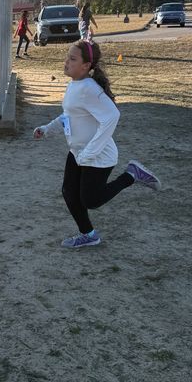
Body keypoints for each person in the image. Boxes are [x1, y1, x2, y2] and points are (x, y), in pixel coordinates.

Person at [32, 39, 161, 249]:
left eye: (72, 59)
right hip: (78, 152)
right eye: (67, 56)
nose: (66, 62)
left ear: (86, 66)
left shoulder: (89, 89)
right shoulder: (75, 85)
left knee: (91, 201)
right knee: (69, 193)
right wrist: (48, 129)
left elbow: (112, 116)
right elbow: (69, 116)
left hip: (98, 156)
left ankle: (132, 174)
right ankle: (89, 234)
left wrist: (90, 152)